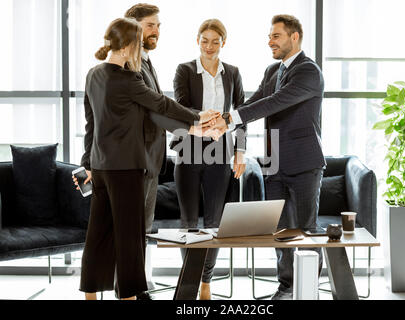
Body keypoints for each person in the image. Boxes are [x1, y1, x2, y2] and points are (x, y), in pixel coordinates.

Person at [75, 17, 219, 300]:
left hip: (101, 167)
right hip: (126, 168)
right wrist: (197, 115)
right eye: (138, 44)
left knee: (98, 234)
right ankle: (129, 296)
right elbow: (160, 103)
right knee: (130, 237)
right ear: (129, 45)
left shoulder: (93, 74)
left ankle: (90, 295)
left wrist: (88, 163)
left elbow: (90, 124)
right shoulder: (129, 78)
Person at [210, 14, 326, 300]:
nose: (270, 41)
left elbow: (276, 102)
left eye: (276, 36)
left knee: (307, 229)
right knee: (281, 231)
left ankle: (308, 289)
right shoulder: (272, 71)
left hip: (304, 163)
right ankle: (286, 287)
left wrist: (230, 118)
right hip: (275, 165)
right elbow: (255, 104)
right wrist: (227, 122)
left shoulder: (308, 71)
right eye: (270, 36)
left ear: (294, 37)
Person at [171, 19, 247, 300]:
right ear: (197, 41)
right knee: (189, 221)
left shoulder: (233, 73)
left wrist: (239, 151)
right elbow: (180, 107)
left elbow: (241, 114)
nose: (210, 46)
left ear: (223, 43)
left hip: (220, 151)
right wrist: (207, 120)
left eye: (216, 41)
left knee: (214, 221)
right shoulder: (185, 70)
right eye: (205, 40)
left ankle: (206, 282)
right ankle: (189, 281)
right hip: (189, 148)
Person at [123, 3, 188, 300]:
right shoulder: (127, 65)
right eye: (151, 25)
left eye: (159, 26)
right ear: (133, 26)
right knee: (131, 231)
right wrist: (197, 121)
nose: (157, 31)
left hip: (149, 159)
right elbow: (157, 106)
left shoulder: (145, 61)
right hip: (133, 159)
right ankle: (130, 291)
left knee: (142, 228)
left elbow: (156, 112)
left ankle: (138, 288)